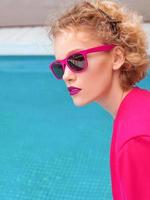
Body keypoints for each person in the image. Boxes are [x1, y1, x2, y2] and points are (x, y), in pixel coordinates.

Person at [48, 0, 150, 199]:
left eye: (76, 60)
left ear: (117, 58)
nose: (66, 75)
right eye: (60, 66)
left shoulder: (135, 141)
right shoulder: (138, 107)